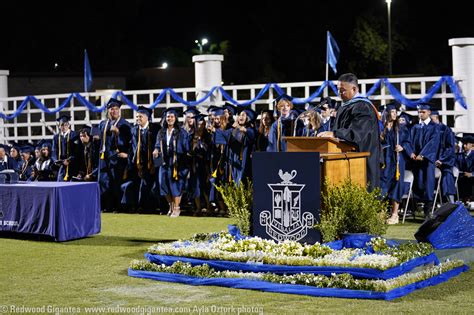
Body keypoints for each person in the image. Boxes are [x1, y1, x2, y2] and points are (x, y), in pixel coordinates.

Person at [318, 73, 382, 191]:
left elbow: (357, 133)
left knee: (364, 192)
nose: (339, 93)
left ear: (354, 89)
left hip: (362, 159)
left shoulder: (362, 106)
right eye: (338, 90)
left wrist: (335, 134)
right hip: (346, 158)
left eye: (342, 90)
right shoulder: (345, 106)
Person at [122, 106, 160, 212]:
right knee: (140, 185)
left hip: (153, 163)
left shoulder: (155, 129)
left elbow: (158, 147)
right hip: (140, 164)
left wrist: (156, 165)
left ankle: (156, 207)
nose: (138, 118)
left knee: (154, 186)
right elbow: (133, 148)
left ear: (147, 117)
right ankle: (142, 207)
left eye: (140, 116)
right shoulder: (134, 130)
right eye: (137, 116)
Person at [153, 108, 189, 217]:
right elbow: (157, 145)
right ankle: (171, 205)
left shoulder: (181, 132)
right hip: (164, 161)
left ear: (176, 118)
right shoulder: (161, 132)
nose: (170, 118)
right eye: (168, 117)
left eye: (172, 116)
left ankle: (177, 208)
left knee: (175, 185)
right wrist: (156, 150)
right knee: (162, 183)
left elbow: (185, 147)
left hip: (176, 161)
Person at [380, 104, 412, 224]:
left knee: (396, 185)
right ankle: (382, 212)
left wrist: (403, 147)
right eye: (392, 112)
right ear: (386, 113)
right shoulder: (381, 128)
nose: (394, 114)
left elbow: (408, 142)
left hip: (397, 161)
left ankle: (394, 214)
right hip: (384, 161)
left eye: (395, 112)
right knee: (382, 185)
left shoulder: (400, 128)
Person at [97, 98, 132, 212]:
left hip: (117, 158)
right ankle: (106, 206)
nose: (114, 111)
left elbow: (128, 143)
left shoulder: (125, 124)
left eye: (116, 109)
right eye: (112, 109)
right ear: (108, 111)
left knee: (116, 183)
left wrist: (118, 133)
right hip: (103, 157)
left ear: (119, 111)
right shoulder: (103, 124)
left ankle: (119, 207)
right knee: (103, 182)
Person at [409, 103, 440, 219]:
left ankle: (428, 210)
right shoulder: (416, 127)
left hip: (428, 160)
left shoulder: (434, 127)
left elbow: (433, 143)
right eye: (419, 112)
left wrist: (423, 154)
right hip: (416, 161)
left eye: (423, 112)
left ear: (429, 113)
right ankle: (418, 207)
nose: (421, 114)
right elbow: (410, 141)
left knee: (428, 183)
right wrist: (411, 152)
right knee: (419, 182)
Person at [187, 113, 212, 215]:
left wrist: (202, 143)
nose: (200, 126)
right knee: (196, 186)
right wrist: (194, 144)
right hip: (194, 164)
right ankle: (198, 208)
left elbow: (210, 151)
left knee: (205, 186)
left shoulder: (208, 136)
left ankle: (209, 207)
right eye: (198, 124)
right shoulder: (191, 136)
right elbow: (189, 152)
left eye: (202, 124)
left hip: (205, 164)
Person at [431, 110, 457, 203]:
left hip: (445, 161)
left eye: (431, 117)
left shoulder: (446, 130)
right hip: (432, 161)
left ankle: (451, 201)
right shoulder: (429, 129)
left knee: (447, 175)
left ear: (435, 117)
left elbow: (450, 148)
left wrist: (441, 160)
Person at [52, 115, 78, 181]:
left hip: (72, 164)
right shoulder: (56, 137)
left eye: (65, 125)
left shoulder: (74, 135)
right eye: (62, 125)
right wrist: (56, 160)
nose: (64, 127)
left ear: (69, 125)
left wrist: (70, 159)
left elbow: (77, 151)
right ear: (59, 126)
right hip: (61, 164)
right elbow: (54, 150)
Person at [456, 134, 474, 204]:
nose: (464, 146)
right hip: (462, 178)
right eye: (463, 144)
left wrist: (472, 174)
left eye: (466, 144)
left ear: (472, 145)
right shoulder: (459, 156)